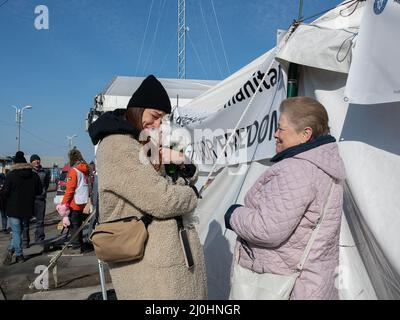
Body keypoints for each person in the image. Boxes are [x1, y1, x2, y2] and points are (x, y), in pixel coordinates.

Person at [88, 74, 207, 300]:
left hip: (161, 259)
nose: (157, 124)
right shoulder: (117, 145)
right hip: (148, 265)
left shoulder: (141, 143)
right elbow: (163, 200)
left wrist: (181, 161)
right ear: (137, 109)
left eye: (162, 120)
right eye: (154, 116)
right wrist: (191, 194)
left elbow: (173, 185)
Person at [224, 96, 346, 300]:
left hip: (283, 288)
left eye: (281, 129)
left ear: (305, 134)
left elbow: (267, 230)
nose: (275, 134)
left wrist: (233, 214)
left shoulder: (296, 169)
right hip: (313, 284)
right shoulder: (326, 168)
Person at [1, 151, 42, 264]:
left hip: (13, 208)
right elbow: (39, 191)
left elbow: (5, 192)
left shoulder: (11, 175)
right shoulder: (34, 175)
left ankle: (19, 255)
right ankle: (11, 249)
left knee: (16, 231)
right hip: (27, 208)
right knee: (18, 232)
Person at [61, 148, 90, 253]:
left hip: (74, 202)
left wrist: (63, 204)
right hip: (82, 201)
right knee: (79, 224)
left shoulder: (74, 171)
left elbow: (70, 189)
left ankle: (76, 246)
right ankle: (80, 244)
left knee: (74, 226)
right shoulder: (84, 170)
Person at [30, 154, 51, 243]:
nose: (37, 161)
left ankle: (39, 239)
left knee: (40, 220)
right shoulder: (28, 172)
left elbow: (46, 184)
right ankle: (25, 241)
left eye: (38, 160)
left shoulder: (44, 172)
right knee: (26, 221)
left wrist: (43, 192)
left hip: (40, 199)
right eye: (34, 160)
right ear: (31, 162)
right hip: (30, 199)